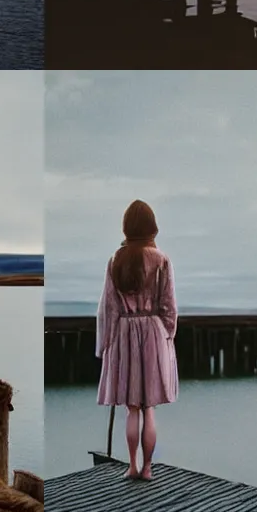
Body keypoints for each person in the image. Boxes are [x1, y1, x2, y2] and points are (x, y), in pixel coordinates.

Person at [97, 199, 178, 481]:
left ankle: (131, 466)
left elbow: (109, 308)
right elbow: (169, 307)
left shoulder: (114, 260)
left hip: (124, 333)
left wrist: (106, 343)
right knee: (149, 409)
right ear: (152, 227)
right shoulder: (162, 260)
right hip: (154, 333)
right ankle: (147, 469)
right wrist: (167, 335)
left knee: (132, 409)